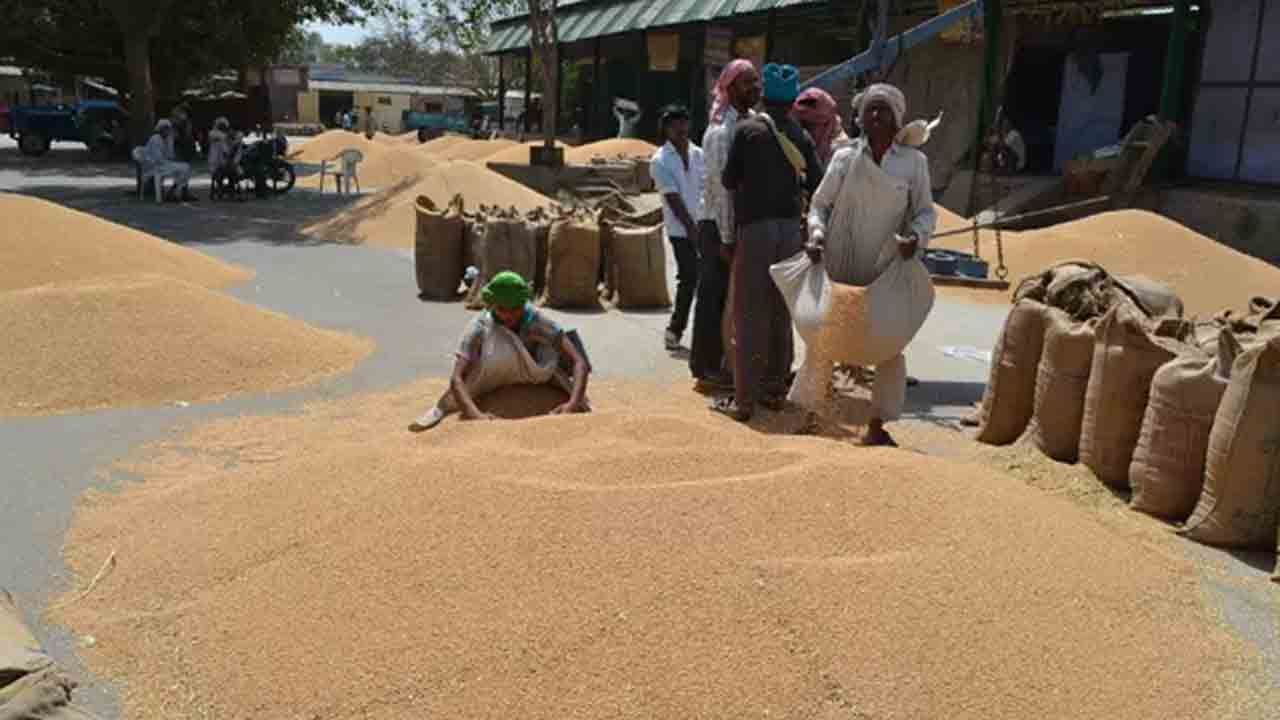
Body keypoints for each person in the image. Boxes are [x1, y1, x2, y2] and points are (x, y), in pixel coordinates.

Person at [806, 83, 937, 447]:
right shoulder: (844, 158)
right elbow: (820, 205)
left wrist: (916, 238)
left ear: (898, 119)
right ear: (859, 117)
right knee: (824, 339)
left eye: (885, 111)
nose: (877, 116)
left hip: (886, 267)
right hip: (840, 262)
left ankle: (877, 423)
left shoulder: (914, 164)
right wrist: (816, 235)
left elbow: (925, 212)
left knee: (889, 345)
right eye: (871, 110)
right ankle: (815, 415)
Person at [712, 63, 822, 422]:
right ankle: (776, 390)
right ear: (791, 100)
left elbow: (729, 180)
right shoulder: (800, 135)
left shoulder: (746, 130)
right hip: (790, 232)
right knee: (779, 311)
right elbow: (815, 181)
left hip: (755, 230)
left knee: (748, 313)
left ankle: (744, 400)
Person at [409, 272, 592, 432]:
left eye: (516, 309)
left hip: (537, 373)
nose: (509, 315)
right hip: (489, 376)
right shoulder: (479, 328)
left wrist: (572, 405)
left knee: (577, 391)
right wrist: (475, 415)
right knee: (449, 403)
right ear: (492, 305)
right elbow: (457, 378)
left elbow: (579, 361)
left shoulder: (537, 321)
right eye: (503, 309)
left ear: (523, 304)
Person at [689, 59, 760, 391]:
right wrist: (728, 238)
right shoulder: (720, 131)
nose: (755, 89)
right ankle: (705, 367)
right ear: (730, 89)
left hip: (732, 225)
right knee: (712, 296)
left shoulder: (751, 123)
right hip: (717, 224)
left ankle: (723, 362)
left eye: (756, 82)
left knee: (729, 298)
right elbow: (721, 189)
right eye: (747, 83)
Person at [649, 105, 705, 352]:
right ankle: (675, 329)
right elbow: (673, 199)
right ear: (666, 129)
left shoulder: (699, 154)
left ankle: (705, 333)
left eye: (683, 123)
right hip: (680, 230)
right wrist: (693, 231)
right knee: (689, 277)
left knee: (708, 281)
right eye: (674, 125)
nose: (680, 128)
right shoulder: (660, 160)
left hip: (705, 225)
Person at [791, 87, 851, 172]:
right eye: (803, 124)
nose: (808, 131)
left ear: (828, 122)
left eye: (812, 125)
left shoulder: (842, 150)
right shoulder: (798, 142)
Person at [143, 118, 196, 202]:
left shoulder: (168, 139)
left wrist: (170, 142)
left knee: (186, 167)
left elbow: (171, 155)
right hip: (154, 166)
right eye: (165, 129)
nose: (167, 131)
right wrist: (170, 162)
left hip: (165, 164)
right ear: (160, 129)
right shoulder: (155, 139)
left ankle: (174, 191)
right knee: (181, 168)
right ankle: (171, 194)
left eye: (168, 129)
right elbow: (158, 158)